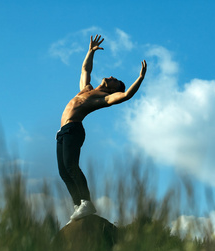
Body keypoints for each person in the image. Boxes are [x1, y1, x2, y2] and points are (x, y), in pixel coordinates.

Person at [56, 34, 147, 221]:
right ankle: (78, 205)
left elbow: (126, 95)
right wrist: (90, 51)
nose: (112, 76)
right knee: (63, 172)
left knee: (71, 166)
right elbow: (85, 69)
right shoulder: (87, 89)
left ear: (114, 89)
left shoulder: (103, 98)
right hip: (62, 132)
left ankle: (87, 202)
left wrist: (140, 78)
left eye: (115, 80)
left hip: (74, 129)